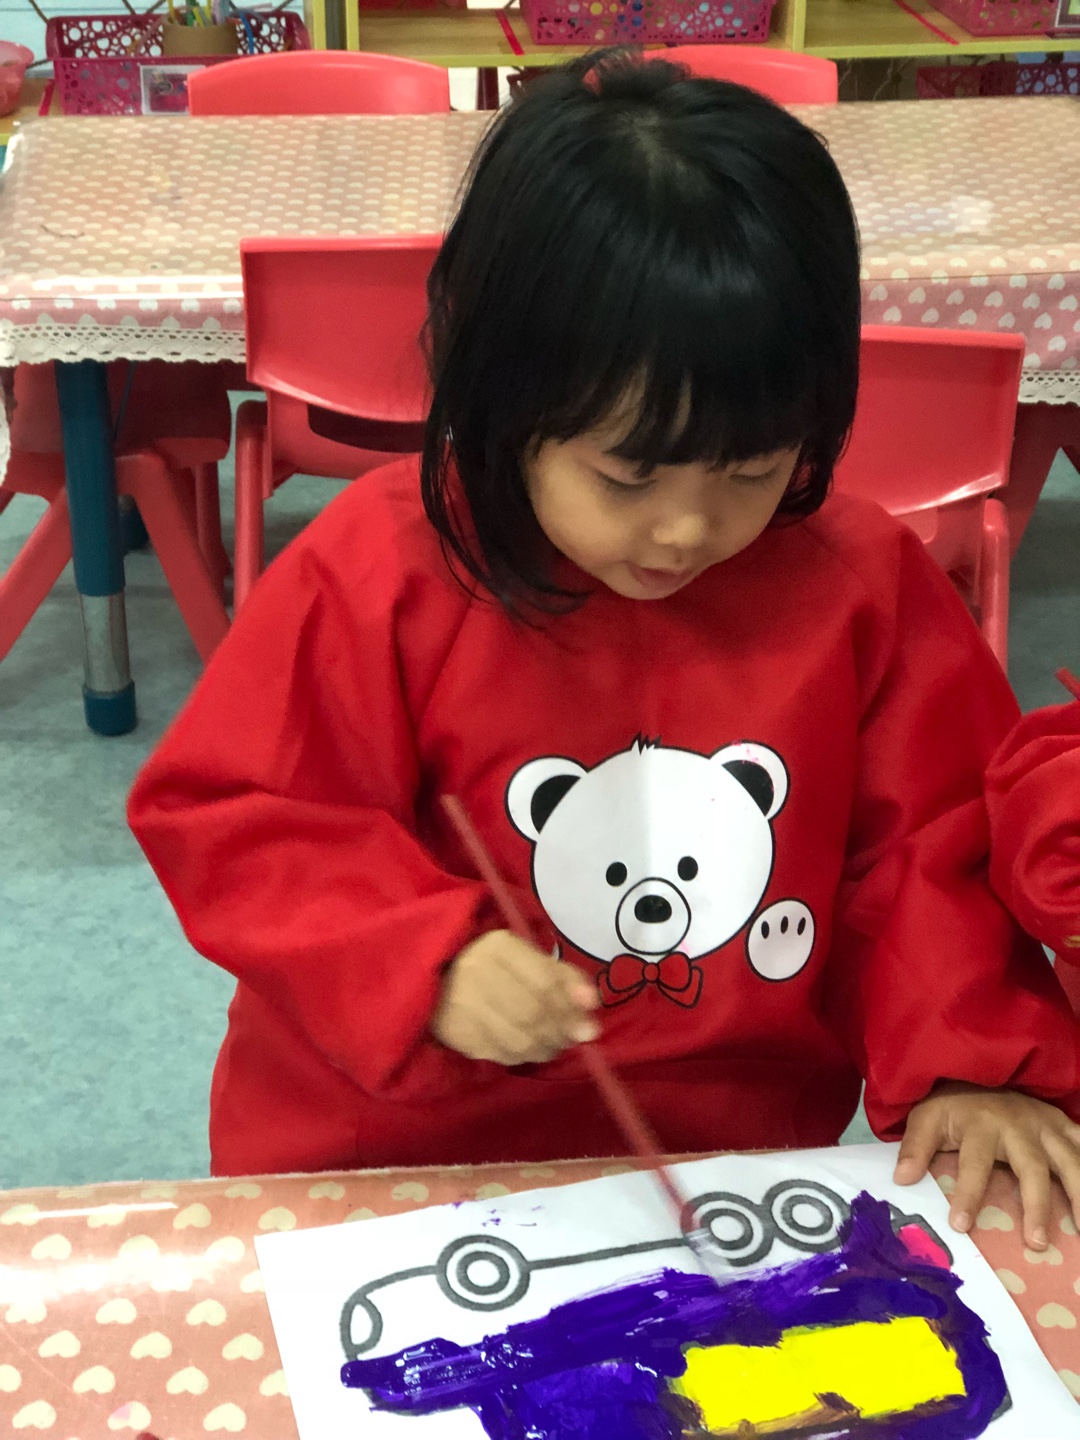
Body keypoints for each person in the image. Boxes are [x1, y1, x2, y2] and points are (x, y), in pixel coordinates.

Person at [129, 51, 1080, 1249]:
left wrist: (968, 1062)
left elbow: (924, 853)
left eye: (752, 470)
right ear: (505, 400)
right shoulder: (378, 569)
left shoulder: (860, 582)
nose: (686, 529)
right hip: (389, 1151)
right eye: (628, 476)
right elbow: (242, 814)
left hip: (725, 1154)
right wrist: (421, 961)